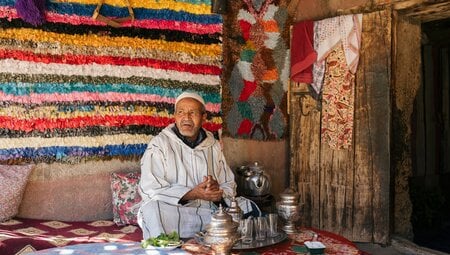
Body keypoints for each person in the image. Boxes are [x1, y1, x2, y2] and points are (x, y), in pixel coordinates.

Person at [137, 91, 258, 239]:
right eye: (181, 112)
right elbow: (149, 190)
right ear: (175, 116)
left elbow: (229, 185)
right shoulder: (159, 144)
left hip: (210, 212)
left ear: (203, 117)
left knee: (248, 206)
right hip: (178, 213)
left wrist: (216, 191)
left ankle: (217, 235)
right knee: (151, 211)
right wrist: (193, 194)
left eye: (192, 112)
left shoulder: (212, 145)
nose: (186, 118)